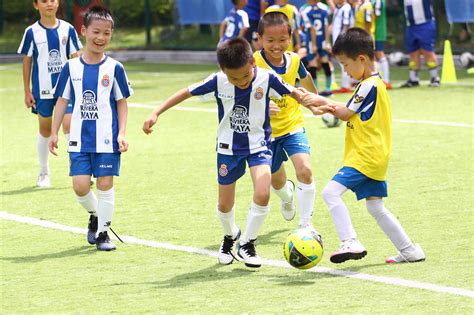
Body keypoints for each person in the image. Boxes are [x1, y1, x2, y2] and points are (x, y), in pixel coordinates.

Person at [143, 38, 332, 268]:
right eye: (234, 78)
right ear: (223, 71)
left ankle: (247, 243)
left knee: (263, 193)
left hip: (259, 146)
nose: (241, 81)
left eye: (245, 75)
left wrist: (312, 104)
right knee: (224, 205)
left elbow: (295, 92)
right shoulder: (218, 81)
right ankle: (230, 234)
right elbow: (186, 92)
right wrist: (156, 112)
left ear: (253, 63)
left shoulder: (266, 77)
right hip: (227, 149)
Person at [301, 28, 426, 264]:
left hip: (364, 157)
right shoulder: (372, 85)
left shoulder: (368, 85)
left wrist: (319, 100)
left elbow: (346, 113)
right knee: (376, 208)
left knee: (330, 193)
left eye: (345, 65)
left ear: (361, 59)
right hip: (376, 157)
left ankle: (349, 241)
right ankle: (409, 250)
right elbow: (349, 109)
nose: (345, 71)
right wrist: (323, 102)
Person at [49, 6, 133, 251]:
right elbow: (62, 101)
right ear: (84, 31)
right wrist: (54, 132)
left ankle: (104, 234)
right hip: (78, 139)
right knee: (80, 186)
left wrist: (122, 133)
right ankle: (95, 215)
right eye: (96, 31)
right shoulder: (70, 67)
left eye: (107, 33)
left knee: (105, 184)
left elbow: (121, 102)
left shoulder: (115, 68)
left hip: (107, 139)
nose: (101, 38)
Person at [254, 12, 320, 230]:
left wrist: (317, 99)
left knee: (305, 170)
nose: (276, 46)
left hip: (293, 126)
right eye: (270, 40)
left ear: (290, 37)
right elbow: (240, 92)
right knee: (278, 182)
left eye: (282, 40)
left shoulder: (294, 60)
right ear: (260, 38)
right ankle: (286, 196)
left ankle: (306, 225)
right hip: (265, 133)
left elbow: (305, 78)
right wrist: (262, 106)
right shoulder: (253, 62)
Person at [18, 0, 82, 188]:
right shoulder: (31, 32)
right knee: (45, 130)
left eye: (53, 0)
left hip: (66, 89)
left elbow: (75, 57)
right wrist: (27, 91)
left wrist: (80, 81)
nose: (49, 4)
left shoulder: (68, 29)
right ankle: (44, 172)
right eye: (44, 1)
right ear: (36, 5)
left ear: (58, 3)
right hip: (42, 90)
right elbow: (27, 61)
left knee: (69, 124)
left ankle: (78, 169)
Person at [401, 0, 440, 88]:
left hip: (425, 24)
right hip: (410, 26)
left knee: (427, 51)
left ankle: (435, 78)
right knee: (413, 52)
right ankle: (413, 79)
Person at [300, 0, 333, 96]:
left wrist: (313, 44)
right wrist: (327, 42)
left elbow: (311, 29)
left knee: (313, 64)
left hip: (312, 41)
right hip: (322, 40)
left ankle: (316, 91)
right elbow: (327, 26)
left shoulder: (305, 10)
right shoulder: (324, 8)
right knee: (324, 62)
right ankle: (327, 89)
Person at [330, 0, 354, 93]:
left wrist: (343, 40)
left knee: (345, 61)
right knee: (342, 62)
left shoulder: (346, 8)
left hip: (342, 40)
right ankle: (350, 82)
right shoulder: (338, 8)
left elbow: (346, 26)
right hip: (337, 40)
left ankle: (346, 85)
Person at [371, 0, 391, 88]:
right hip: (373, 31)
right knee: (373, 55)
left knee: (379, 53)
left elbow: (376, 15)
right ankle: (378, 79)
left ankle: (386, 81)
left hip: (377, 31)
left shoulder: (378, 1)